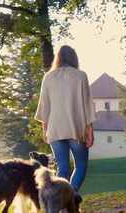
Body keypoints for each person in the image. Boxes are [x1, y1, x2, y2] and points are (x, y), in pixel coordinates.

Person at [34, 45, 96, 193]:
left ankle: (62, 203)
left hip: (55, 129)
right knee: (81, 166)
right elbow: (87, 103)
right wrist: (90, 129)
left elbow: (45, 106)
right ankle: (72, 197)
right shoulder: (81, 75)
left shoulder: (48, 77)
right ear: (74, 58)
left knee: (62, 168)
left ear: (58, 58)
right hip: (76, 128)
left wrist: (45, 129)